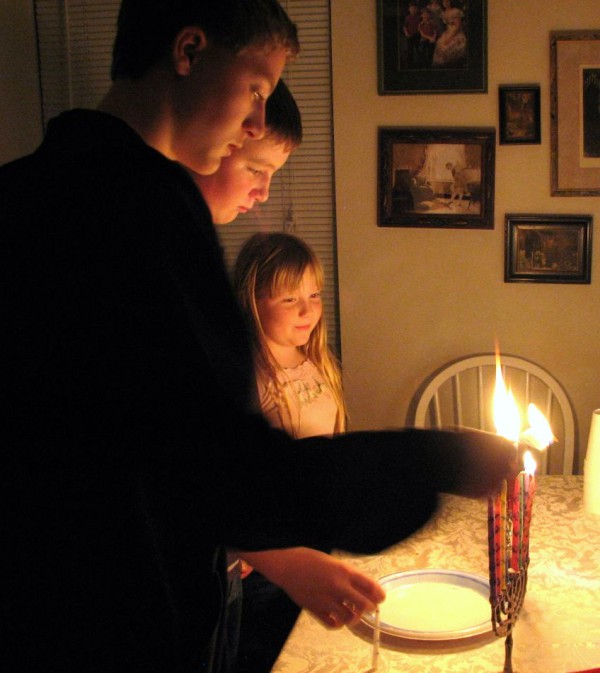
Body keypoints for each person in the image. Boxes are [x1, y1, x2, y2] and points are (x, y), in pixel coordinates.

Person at [1, 1, 517, 672]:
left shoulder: (21, 191)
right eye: (255, 91)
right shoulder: (144, 208)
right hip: (117, 621)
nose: (253, 123)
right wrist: (436, 462)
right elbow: (224, 472)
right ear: (188, 51)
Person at [196, 85, 385, 673]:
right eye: (254, 165)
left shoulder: (319, 366)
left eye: (314, 298)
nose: (308, 311)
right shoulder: (236, 371)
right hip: (255, 564)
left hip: (304, 539)